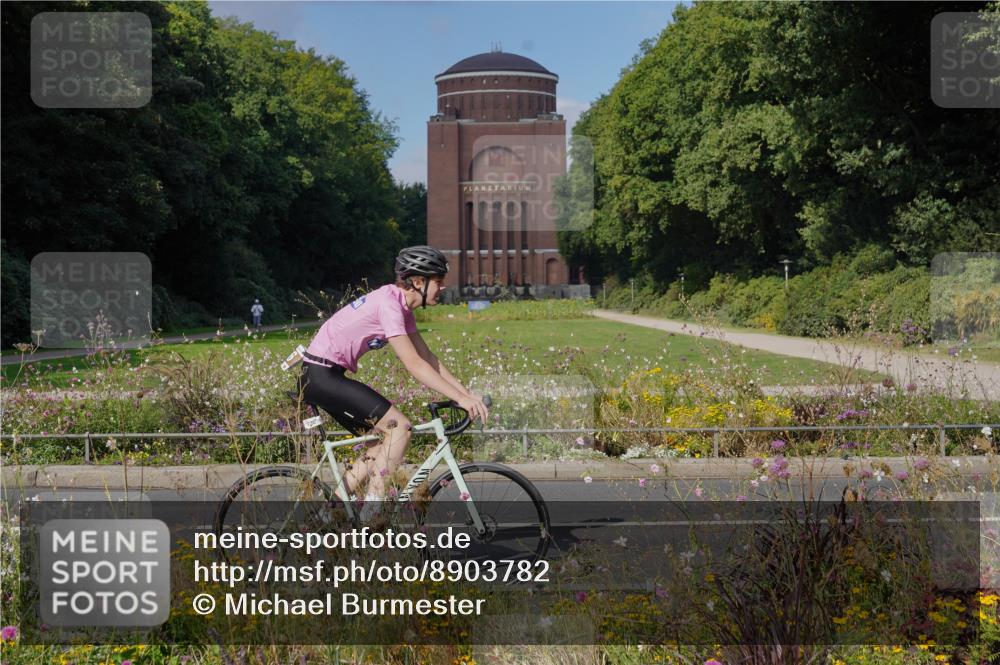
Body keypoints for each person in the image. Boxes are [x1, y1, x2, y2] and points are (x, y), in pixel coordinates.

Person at [297, 245, 489, 514]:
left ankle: (329, 514)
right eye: (438, 281)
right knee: (400, 429)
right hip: (321, 374)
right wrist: (460, 398)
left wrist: (465, 395)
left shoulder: (401, 307)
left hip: (324, 374)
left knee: (381, 446)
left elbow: (429, 358)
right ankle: (372, 516)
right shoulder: (389, 305)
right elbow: (414, 364)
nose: (443, 287)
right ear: (419, 282)